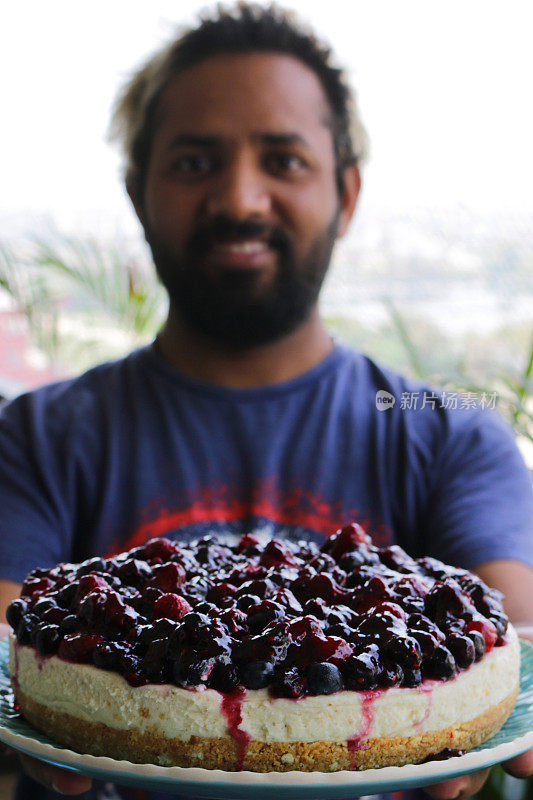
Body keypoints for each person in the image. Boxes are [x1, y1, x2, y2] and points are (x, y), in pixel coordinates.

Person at [0, 5, 532, 800]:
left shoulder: (446, 433)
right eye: (193, 162)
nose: (240, 198)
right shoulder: (37, 436)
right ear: (137, 193)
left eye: (282, 160)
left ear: (345, 194)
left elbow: (509, 648)